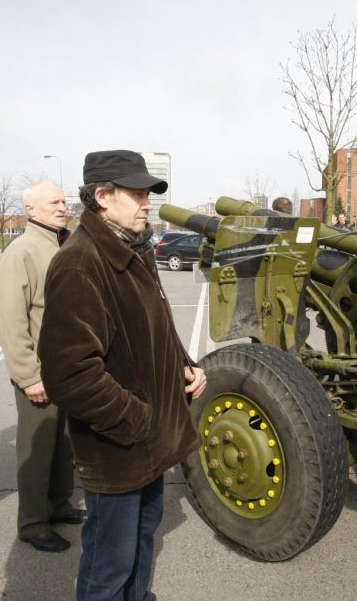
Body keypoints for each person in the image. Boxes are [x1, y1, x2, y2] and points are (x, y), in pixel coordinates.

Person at [38, 150, 206, 600]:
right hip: (119, 445)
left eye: (147, 193)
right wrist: (139, 420)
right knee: (109, 564)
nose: (147, 202)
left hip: (146, 443)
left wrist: (186, 365)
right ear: (102, 197)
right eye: (136, 193)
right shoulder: (80, 262)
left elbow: (154, 327)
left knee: (140, 545)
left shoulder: (131, 247)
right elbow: (69, 374)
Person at [0, 180, 84, 553]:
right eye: (53, 202)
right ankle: (32, 523)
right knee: (38, 452)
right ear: (30, 210)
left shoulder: (61, 244)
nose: (62, 207)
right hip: (41, 373)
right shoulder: (23, 251)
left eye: (64, 201)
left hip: (67, 369)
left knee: (63, 446)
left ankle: (58, 506)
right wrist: (28, 375)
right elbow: (12, 320)